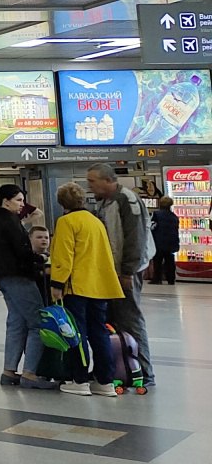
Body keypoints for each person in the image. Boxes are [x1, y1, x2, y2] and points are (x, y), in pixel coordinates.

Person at [49, 181, 125, 397]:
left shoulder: (66, 222)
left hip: (77, 286)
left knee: (76, 333)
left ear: (61, 203)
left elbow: (64, 256)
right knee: (99, 332)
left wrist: (57, 284)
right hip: (100, 285)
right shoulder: (95, 222)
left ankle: (79, 379)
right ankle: (105, 381)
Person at [85, 165, 155, 387]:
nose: (90, 186)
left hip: (125, 272)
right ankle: (119, 368)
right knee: (112, 320)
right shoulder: (104, 202)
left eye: (93, 181)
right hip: (111, 272)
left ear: (108, 180)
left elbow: (136, 238)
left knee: (130, 319)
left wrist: (128, 271)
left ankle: (144, 372)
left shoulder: (127, 200)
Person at [0, 185, 54, 390]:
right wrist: (40, 258)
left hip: (3, 277)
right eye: (19, 200)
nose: (22, 205)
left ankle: (9, 371)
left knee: (16, 323)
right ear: (6, 201)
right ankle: (30, 374)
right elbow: (21, 251)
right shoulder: (9, 220)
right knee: (38, 323)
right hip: (19, 276)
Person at [150, 194, 179, 285]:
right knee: (170, 261)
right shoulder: (174, 216)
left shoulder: (156, 214)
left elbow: (152, 226)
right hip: (171, 242)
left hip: (159, 241)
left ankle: (157, 278)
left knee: (158, 261)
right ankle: (171, 279)